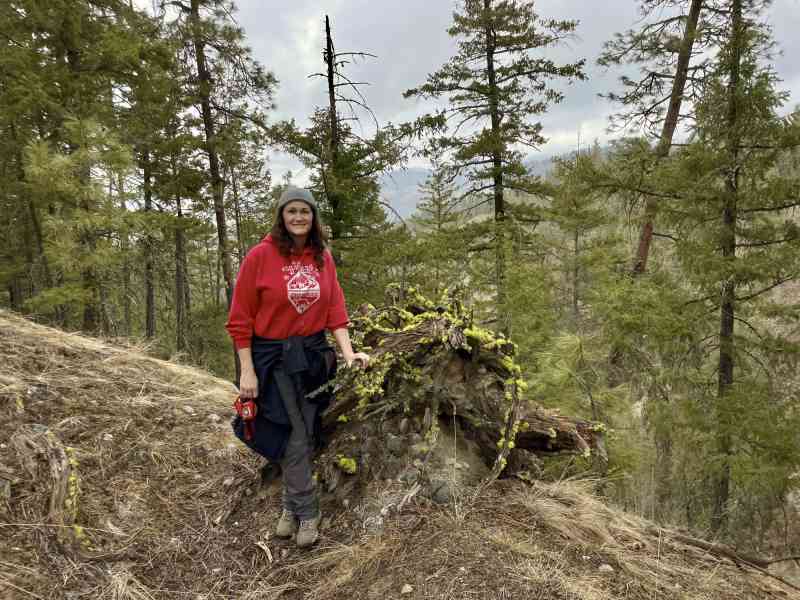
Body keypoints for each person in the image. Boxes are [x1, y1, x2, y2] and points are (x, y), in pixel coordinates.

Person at [225, 187, 369, 548]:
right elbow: (239, 319)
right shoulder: (260, 256)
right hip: (272, 359)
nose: (299, 218)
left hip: (313, 356)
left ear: (313, 216)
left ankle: (290, 507)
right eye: (292, 211)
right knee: (294, 435)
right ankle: (308, 511)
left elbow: (336, 311)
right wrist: (247, 371)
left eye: (305, 211)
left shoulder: (323, 257)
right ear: (281, 216)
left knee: (306, 429)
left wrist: (349, 354)